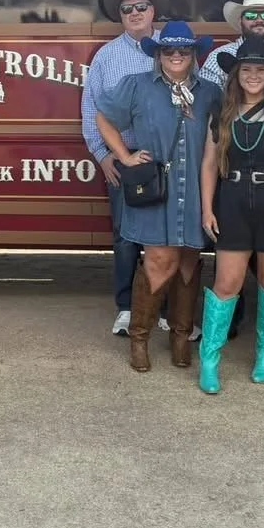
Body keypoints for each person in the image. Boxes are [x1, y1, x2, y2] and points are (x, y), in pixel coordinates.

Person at [94, 21, 221, 374]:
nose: (177, 56)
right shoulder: (137, 85)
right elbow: (104, 118)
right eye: (169, 50)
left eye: (184, 50)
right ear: (159, 54)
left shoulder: (210, 92)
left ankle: (181, 337)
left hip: (195, 190)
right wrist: (123, 155)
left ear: (195, 55)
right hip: (156, 190)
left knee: (189, 262)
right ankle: (139, 338)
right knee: (157, 261)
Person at [198, 38, 264, 393]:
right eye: (246, 69)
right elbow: (209, 164)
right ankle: (209, 360)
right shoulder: (222, 113)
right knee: (226, 283)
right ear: (235, 74)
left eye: (260, 69)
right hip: (231, 201)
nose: (253, 76)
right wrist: (206, 209)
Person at [81, 0, 164, 336]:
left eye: (141, 7)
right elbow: (91, 109)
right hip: (124, 157)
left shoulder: (173, 48)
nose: (134, 14)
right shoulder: (107, 55)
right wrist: (104, 156)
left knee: (166, 238)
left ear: (153, 12)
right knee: (126, 237)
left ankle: (163, 308)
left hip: (167, 156)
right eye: (127, 9)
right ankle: (127, 307)